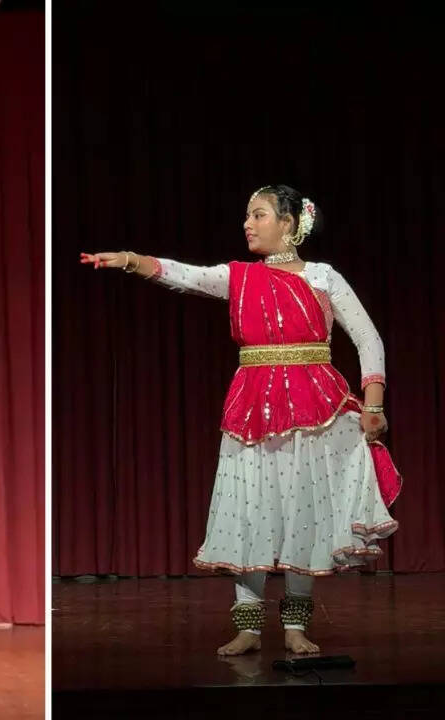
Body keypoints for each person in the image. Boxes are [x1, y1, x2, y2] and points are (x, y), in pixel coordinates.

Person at [81, 184, 401, 656]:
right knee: (249, 509)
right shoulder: (240, 278)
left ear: (289, 223)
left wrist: (372, 406)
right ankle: (248, 627)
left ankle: (295, 625)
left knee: (302, 512)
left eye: (259, 215)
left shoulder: (322, 277)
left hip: (315, 405)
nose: (247, 224)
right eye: (247, 216)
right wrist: (131, 259)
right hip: (252, 403)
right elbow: (185, 276)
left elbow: (369, 339)